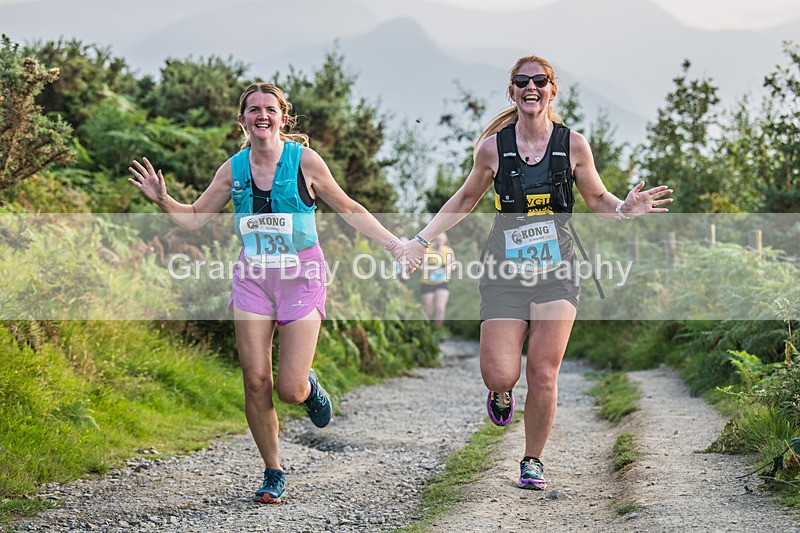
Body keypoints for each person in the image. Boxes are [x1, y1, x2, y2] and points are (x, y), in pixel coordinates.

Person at [399, 55, 672, 490]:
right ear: (512, 92)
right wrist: (422, 239)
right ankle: (501, 392)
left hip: (557, 271)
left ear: (552, 90)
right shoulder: (493, 149)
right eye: (522, 81)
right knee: (500, 374)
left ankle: (532, 460)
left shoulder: (573, 145)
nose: (532, 87)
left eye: (540, 81)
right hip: (504, 273)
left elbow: (597, 199)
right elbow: (464, 199)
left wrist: (624, 208)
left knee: (543, 373)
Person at [128, 82, 404, 504]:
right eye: (253, 109)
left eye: (270, 109)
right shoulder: (233, 169)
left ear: (283, 117)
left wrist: (394, 244)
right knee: (255, 381)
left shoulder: (305, 161)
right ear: (242, 120)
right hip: (253, 279)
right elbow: (196, 216)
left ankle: (308, 387)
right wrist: (164, 200)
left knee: (289, 389)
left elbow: (349, 208)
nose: (262, 115)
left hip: (301, 277)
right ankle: (273, 470)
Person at [420, 232, 455, 326]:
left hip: (442, 282)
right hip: (427, 283)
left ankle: (438, 329)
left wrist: (448, 268)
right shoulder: (427, 250)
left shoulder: (448, 250)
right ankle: (426, 328)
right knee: (428, 309)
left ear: (445, 240)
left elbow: (454, 265)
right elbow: (419, 265)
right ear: (434, 239)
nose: (440, 242)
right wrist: (430, 269)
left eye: (442, 240)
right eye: (438, 239)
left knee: (440, 307)